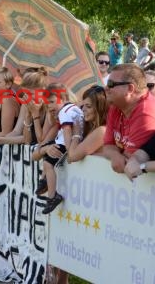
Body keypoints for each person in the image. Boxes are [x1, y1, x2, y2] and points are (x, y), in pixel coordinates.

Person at [102, 64, 155, 173]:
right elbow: (107, 146)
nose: (106, 88)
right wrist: (115, 155)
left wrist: (116, 156)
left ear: (130, 89)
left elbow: (127, 162)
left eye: (111, 84)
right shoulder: (116, 106)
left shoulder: (146, 114)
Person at [32, 83, 82, 214]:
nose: (50, 106)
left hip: (66, 144)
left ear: (64, 98)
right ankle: (44, 180)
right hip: (70, 142)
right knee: (46, 153)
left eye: (53, 102)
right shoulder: (74, 108)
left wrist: (69, 149)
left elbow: (67, 131)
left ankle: (52, 196)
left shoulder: (64, 112)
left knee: (48, 165)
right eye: (47, 104)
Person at [66, 85, 108, 162]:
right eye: (83, 105)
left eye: (88, 106)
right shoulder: (91, 128)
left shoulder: (102, 131)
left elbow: (71, 157)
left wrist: (77, 133)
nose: (83, 109)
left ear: (100, 108)